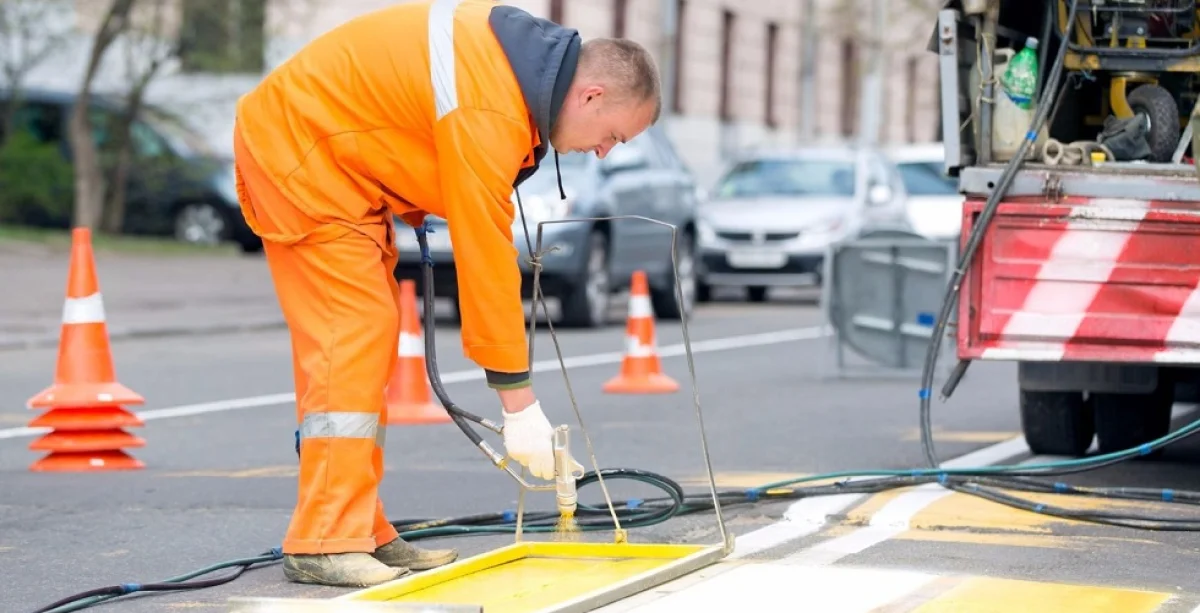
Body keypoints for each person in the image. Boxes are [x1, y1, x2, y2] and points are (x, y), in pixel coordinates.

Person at [230, 0, 662, 589]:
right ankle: (325, 541)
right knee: (350, 336)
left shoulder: (515, 72)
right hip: (303, 159)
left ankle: (360, 528)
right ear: (590, 96)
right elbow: (485, 253)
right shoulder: (496, 103)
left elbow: (404, 110)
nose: (605, 151)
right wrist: (517, 401)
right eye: (613, 135)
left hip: (336, 165)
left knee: (366, 344)